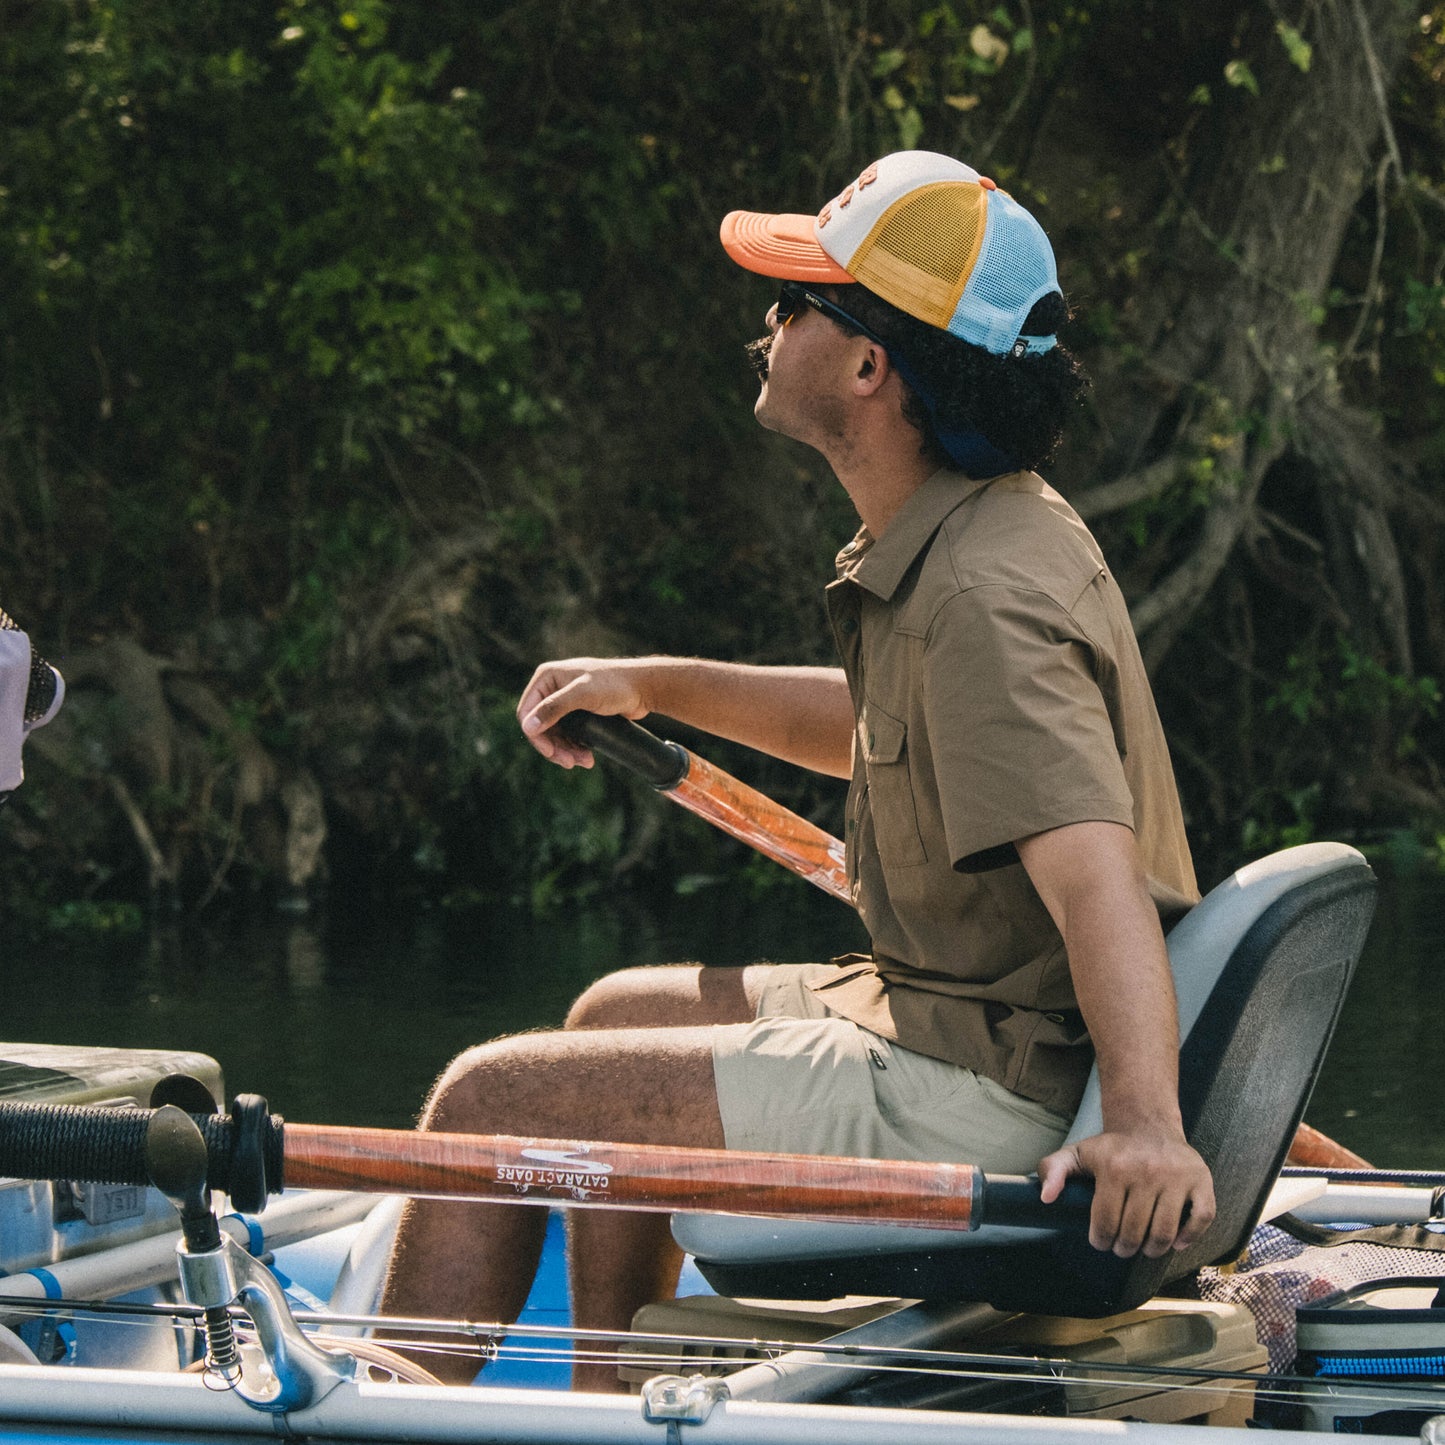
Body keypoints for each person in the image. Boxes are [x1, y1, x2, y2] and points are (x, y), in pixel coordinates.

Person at [380, 150, 1216, 1390]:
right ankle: (608, 1395)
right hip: (953, 1019)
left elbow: (1093, 869)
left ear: (871, 367)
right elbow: (896, 727)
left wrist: (1143, 1128)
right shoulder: (976, 524)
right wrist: (656, 684)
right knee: (610, 1014)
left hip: (991, 1087)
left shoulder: (982, 592)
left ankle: (389, 1410)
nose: (768, 320)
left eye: (798, 301)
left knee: (485, 1100)